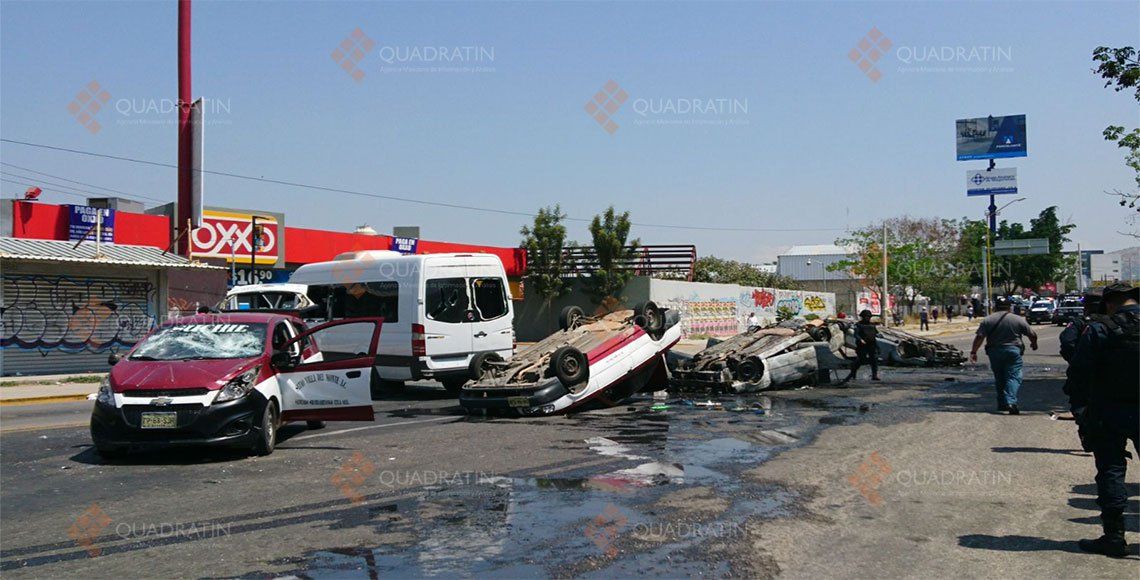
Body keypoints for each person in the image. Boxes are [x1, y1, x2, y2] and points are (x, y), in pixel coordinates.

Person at [1066, 283, 1139, 557]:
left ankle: (1114, 537)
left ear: (1109, 303)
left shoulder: (1101, 328)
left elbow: (1079, 373)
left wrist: (1080, 410)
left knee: (1110, 470)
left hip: (1109, 410)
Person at [969, 295, 1038, 415]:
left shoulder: (988, 320)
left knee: (999, 377)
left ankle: (1002, 403)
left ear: (995, 307)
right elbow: (1032, 334)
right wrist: (1034, 344)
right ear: (1009, 307)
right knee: (1013, 376)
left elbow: (980, 337)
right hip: (1013, 351)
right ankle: (1011, 402)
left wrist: (974, 352)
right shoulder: (1017, 319)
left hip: (994, 352)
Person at [840, 309, 880, 384]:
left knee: (874, 360)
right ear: (863, 317)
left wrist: (877, 346)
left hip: (871, 344)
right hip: (862, 346)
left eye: (869, 316)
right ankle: (853, 374)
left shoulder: (872, 325)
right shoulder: (859, 325)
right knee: (861, 360)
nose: (867, 318)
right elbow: (856, 334)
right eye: (866, 316)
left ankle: (874, 375)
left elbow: (875, 335)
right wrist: (860, 340)